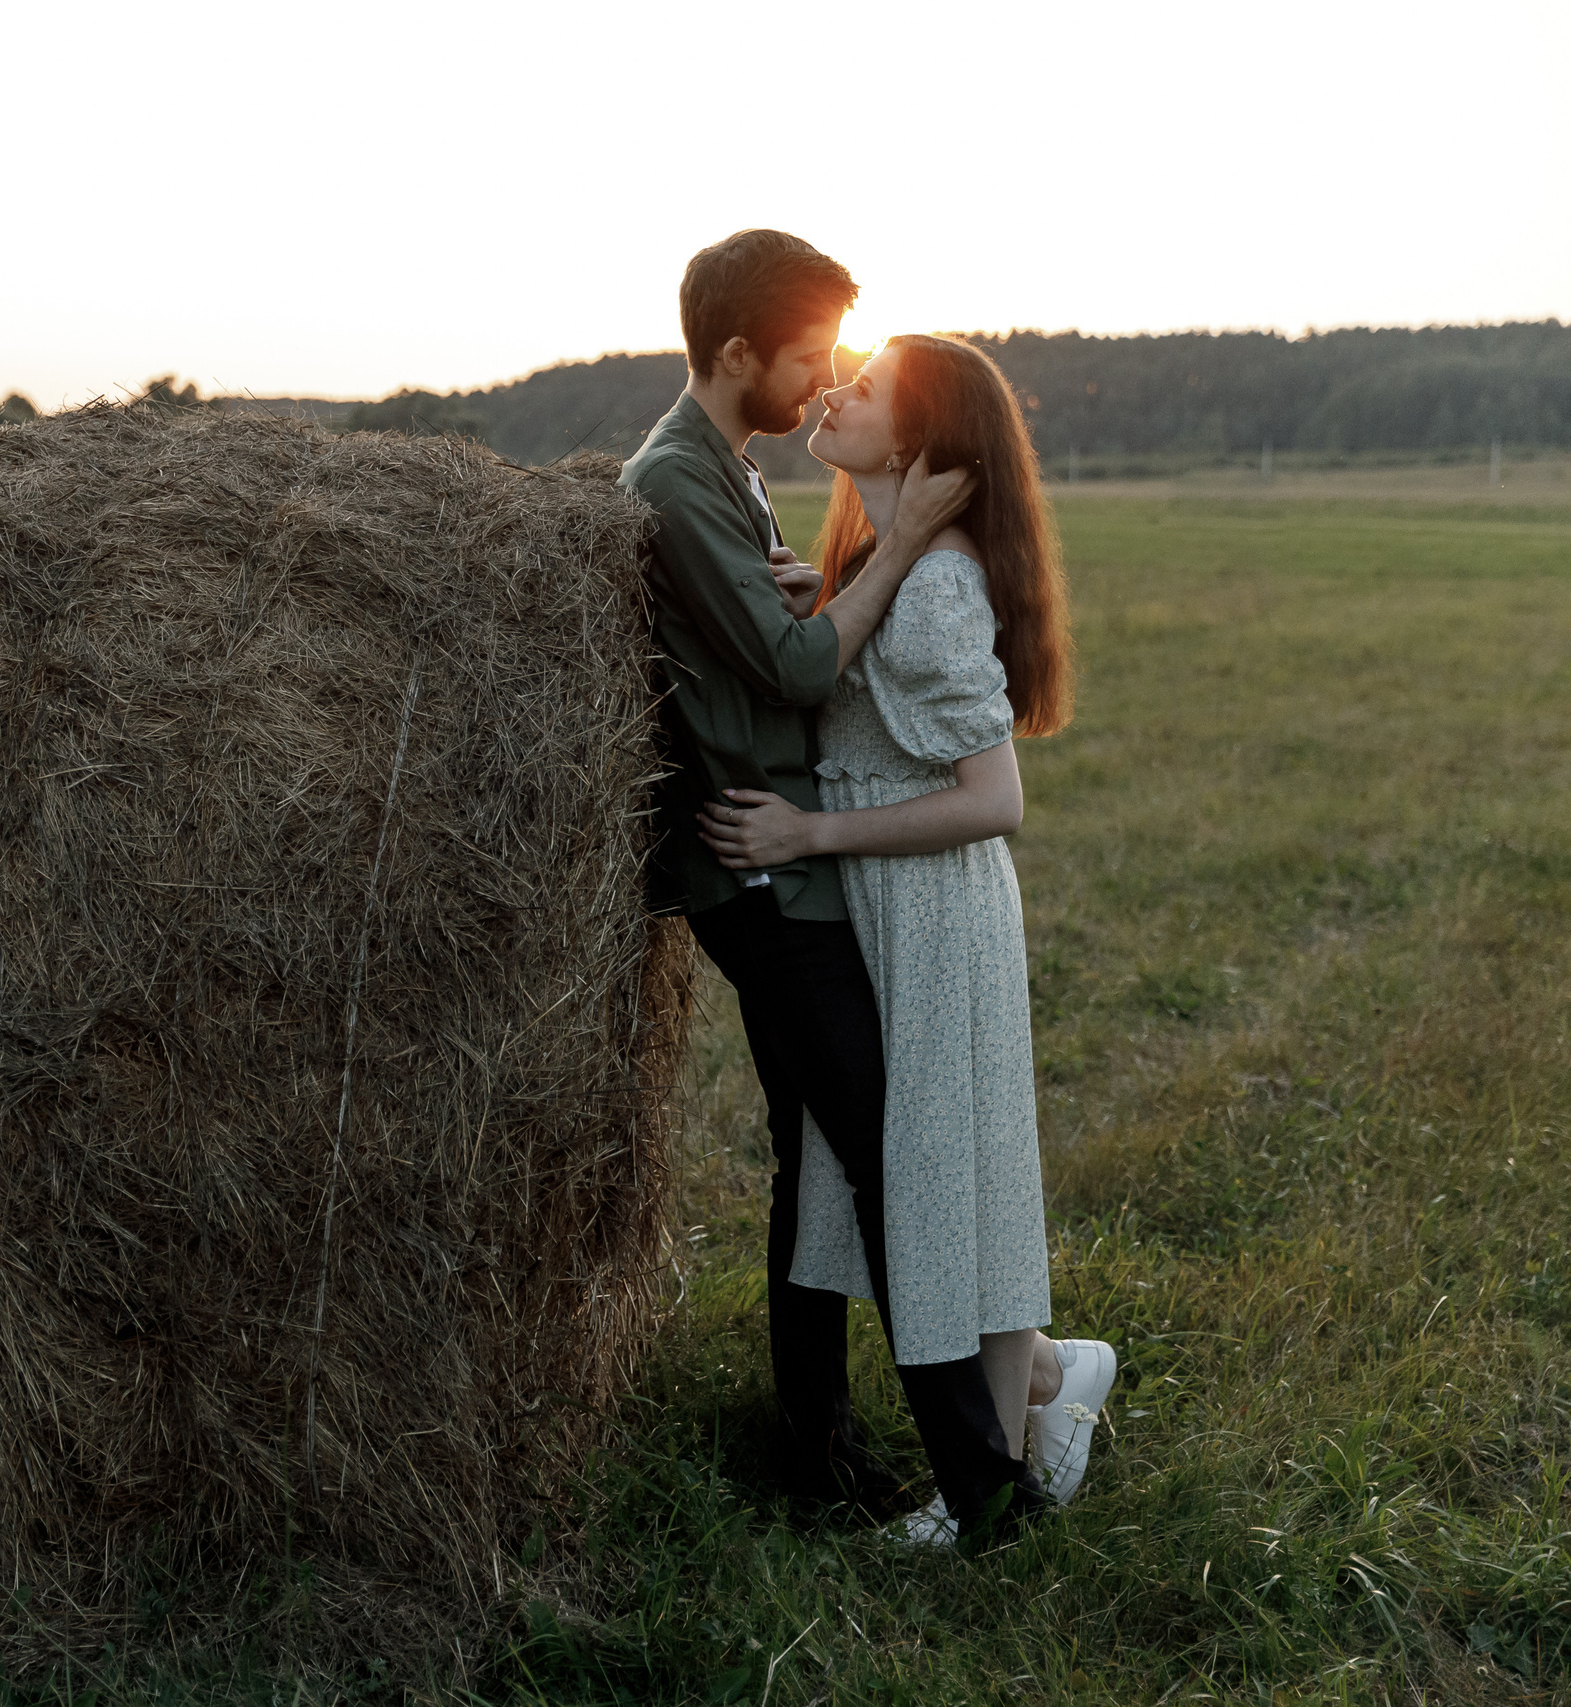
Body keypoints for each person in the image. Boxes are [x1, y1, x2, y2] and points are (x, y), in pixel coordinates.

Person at [695, 334, 1118, 1545]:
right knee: (936, 1164)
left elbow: (996, 800)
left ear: (922, 444)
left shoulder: (933, 585)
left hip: (929, 907)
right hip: (899, 903)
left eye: (863, 389)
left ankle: (980, 1479)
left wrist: (810, 833)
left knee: (938, 1171)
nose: (830, 391)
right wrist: (808, 607)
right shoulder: (891, 561)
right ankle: (1039, 1376)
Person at [618, 230, 999, 1527]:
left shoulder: (724, 467)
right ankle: (980, 1479)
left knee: (820, 1157)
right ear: (736, 356)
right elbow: (789, 672)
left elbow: (776, 640)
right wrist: (900, 548)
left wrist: (813, 587)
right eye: (805, 357)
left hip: (787, 863)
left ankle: (821, 1447)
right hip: (764, 877)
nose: (824, 375)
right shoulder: (672, 479)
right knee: (886, 1159)